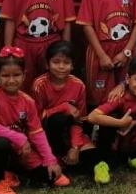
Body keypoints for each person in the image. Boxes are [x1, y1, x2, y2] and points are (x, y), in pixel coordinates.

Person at [0, 47, 66, 194]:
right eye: (5, 75)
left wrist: (50, 160)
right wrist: (19, 138)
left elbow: (37, 133)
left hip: (20, 152)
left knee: (49, 178)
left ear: (24, 75)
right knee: (1, 143)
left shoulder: (28, 101)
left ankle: (11, 172)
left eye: (16, 75)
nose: (11, 80)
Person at [85, 56, 136, 184]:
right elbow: (92, 117)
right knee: (108, 120)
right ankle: (102, 164)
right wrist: (120, 123)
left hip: (133, 135)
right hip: (116, 137)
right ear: (128, 79)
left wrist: (133, 123)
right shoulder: (119, 96)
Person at [30, 41, 93, 169]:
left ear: (72, 66)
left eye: (66, 63)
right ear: (47, 64)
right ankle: (57, 156)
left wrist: (75, 147)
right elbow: (36, 119)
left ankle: (70, 154)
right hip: (47, 131)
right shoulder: (39, 85)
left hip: (70, 131)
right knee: (59, 119)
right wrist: (63, 107)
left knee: (93, 156)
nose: (61, 67)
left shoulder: (79, 85)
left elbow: (79, 120)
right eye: (56, 62)